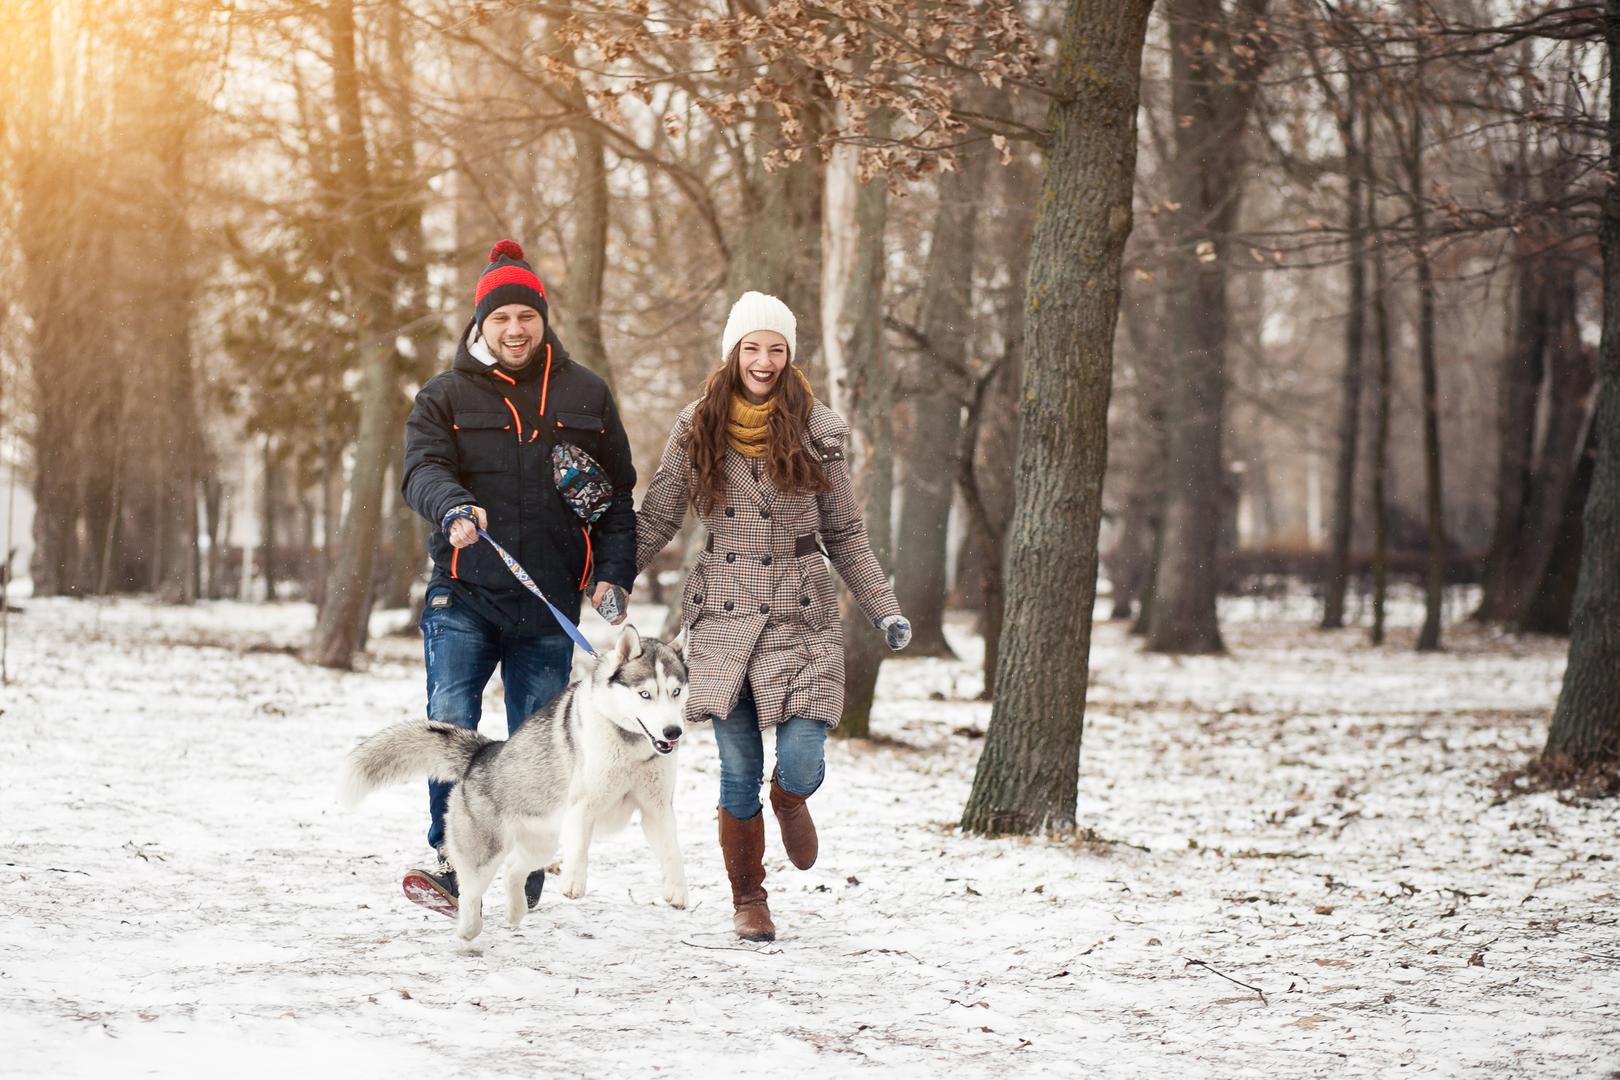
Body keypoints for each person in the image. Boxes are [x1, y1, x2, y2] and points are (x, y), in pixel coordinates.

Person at [635, 291, 911, 942]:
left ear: (789, 357)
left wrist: (884, 610)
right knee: (736, 772)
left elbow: (845, 532)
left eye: (776, 349)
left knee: (803, 759)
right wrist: (610, 576)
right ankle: (749, 899)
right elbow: (660, 513)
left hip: (799, 613)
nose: (763, 360)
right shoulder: (697, 425)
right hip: (724, 614)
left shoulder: (819, 431)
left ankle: (790, 798)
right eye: (752, 348)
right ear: (734, 352)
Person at [398, 239, 635, 913]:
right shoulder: (442, 396)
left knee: (537, 741)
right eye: (500, 318)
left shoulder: (585, 394)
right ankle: (453, 855)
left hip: (547, 603)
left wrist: (613, 574)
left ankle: (523, 858)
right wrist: (451, 507)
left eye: (524, 316)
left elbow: (618, 498)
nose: (514, 329)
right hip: (463, 592)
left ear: (542, 317)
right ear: (481, 324)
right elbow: (420, 471)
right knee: (451, 719)